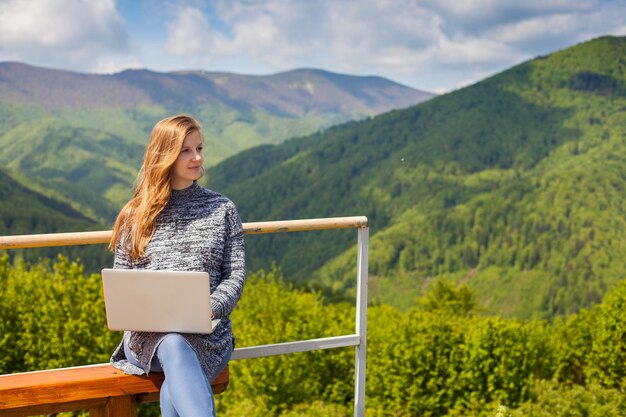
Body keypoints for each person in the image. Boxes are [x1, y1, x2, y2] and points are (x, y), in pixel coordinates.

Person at [108, 114, 246, 417]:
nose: (197, 157)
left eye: (199, 148)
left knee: (176, 371)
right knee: (172, 344)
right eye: (186, 150)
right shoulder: (135, 215)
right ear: (164, 155)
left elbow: (234, 275)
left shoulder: (222, 209)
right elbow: (121, 284)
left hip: (207, 334)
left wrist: (210, 307)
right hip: (145, 338)